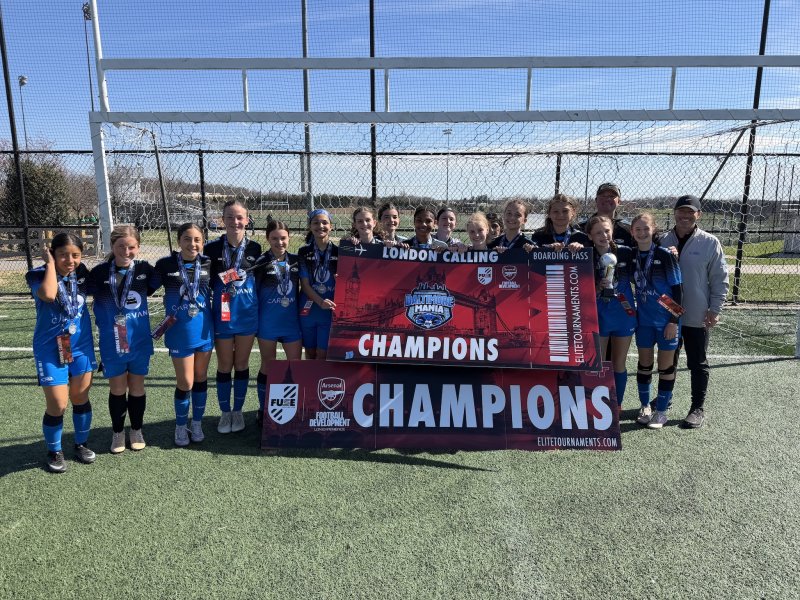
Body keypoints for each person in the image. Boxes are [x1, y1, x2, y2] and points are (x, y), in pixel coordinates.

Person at [27, 232, 98, 473]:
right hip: (50, 347)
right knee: (58, 404)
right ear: (53, 254)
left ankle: (81, 444)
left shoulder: (82, 274)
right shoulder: (38, 274)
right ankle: (54, 450)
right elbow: (48, 295)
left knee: (80, 397)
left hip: (80, 346)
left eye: (75, 255)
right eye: (63, 255)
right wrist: (49, 264)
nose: (70, 260)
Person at [89, 225, 159, 454]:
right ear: (112, 246)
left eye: (131, 247)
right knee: (118, 388)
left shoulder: (145, 270)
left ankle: (136, 430)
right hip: (112, 342)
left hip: (139, 340)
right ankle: (118, 432)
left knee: (137, 387)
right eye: (121, 246)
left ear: (138, 247)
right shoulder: (99, 273)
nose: (126, 252)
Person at [661, 195, 729, 428]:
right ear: (674, 213)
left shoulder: (709, 242)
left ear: (698, 215)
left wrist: (715, 309)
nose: (685, 216)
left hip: (696, 313)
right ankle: (665, 400)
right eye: (681, 211)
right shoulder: (662, 240)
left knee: (697, 362)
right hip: (668, 312)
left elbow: (719, 278)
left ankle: (697, 407)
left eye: (690, 212)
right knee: (668, 359)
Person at [205, 199, 262, 435]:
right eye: (230, 217)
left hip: (247, 315)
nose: (235, 222)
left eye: (239, 217)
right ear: (222, 220)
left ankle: (238, 411)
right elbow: (207, 281)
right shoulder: (211, 249)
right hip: (223, 315)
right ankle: (225, 412)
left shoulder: (256, 248)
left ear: (247, 220)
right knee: (224, 365)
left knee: (241, 365)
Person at [154, 223, 214, 447]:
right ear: (179, 241)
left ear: (203, 242)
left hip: (204, 330)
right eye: (187, 239)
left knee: (200, 378)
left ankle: (196, 423)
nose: (192, 244)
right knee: (185, 382)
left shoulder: (208, 263)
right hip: (179, 332)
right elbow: (144, 287)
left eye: (197, 239)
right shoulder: (165, 265)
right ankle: (180, 425)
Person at [630, 213, 683, 429]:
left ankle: (661, 412)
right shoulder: (631, 255)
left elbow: (678, 290)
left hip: (666, 320)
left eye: (646, 228)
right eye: (638, 229)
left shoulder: (665, 255)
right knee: (644, 365)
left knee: (665, 367)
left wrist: (673, 321)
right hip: (644, 320)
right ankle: (645, 407)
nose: (642, 233)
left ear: (654, 230)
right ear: (632, 232)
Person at [254, 220, 303, 424]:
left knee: (295, 366)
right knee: (268, 364)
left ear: (289, 238)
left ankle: (295, 408)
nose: (279, 242)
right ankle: (263, 408)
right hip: (268, 323)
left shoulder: (297, 261)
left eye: (283, 238)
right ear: (267, 239)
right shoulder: (261, 262)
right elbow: (253, 293)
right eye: (274, 238)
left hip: (291, 323)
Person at [585, 216, 636, 407]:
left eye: (606, 231)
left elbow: (649, 253)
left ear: (612, 231)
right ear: (590, 236)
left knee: (618, 363)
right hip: (598, 314)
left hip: (623, 314)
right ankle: (595, 407)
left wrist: (671, 250)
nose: (603, 235)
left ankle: (617, 405)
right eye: (598, 232)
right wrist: (596, 287)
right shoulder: (586, 256)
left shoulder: (626, 252)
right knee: (597, 363)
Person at [299, 209, 338, 360]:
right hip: (308, 309)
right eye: (316, 223)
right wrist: (320, 302)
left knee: (323, 355)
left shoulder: (339, 252)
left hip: (329, 310)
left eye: (324, 222)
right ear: (310, 226)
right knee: (309, 353)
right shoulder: (303, 252)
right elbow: (305, 285)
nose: (320, 226)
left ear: (331, 226)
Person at [578, 183, 634, 247]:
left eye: (612, 196)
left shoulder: (628, 229)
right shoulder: (581, 228)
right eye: (603, 196)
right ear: (596, 200)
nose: (607, 199)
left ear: (619, 201)